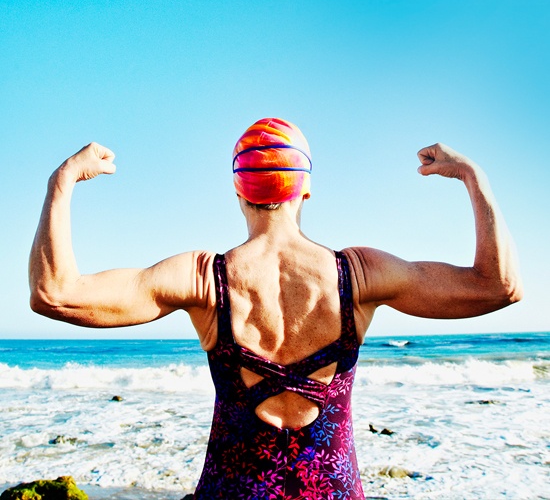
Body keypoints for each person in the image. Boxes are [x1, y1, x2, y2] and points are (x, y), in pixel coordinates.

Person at [29, 117, 522, 499]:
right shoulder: (361, 274)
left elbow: (55, 293)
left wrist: (62, 181)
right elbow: (498, 286)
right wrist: (471, 176)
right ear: (305, 188)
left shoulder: (204, 279)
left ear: (239, 189)